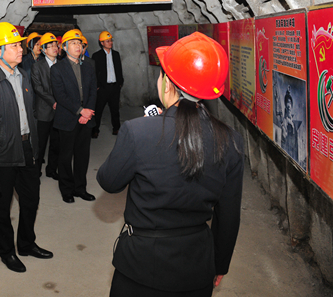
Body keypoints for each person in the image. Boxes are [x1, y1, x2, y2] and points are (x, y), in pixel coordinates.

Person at [97, 32, 244, 297]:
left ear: (168, 84)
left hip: (140, 265)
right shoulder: (231, 140)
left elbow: (109, 181)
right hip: (197, 265)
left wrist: (137, 137)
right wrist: (220, 264)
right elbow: (229, 214)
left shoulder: (138, 131)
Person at [0, 22, 53, 273]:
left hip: (27, 147)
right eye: (13, 46)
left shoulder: (23, 74)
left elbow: (29, 112)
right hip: (3, 152)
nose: (20, 49)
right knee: (2, 207)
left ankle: (26, 243)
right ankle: (7, 252)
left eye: (19, 45)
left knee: (31, 199)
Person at [50, 29, 97, 203]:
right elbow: (60, 96)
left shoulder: (88, 67)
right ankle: (67, 190)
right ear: (64, 47)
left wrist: (88, 111)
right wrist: (80, 111)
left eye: (80, 43)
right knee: (65, 156)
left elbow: (93, 91)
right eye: (73, 43)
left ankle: (80, 188)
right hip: (68, 117)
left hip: (86, 118)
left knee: (82, 156)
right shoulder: (57, 69)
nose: (78, 46)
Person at [30, 32, 61, 180]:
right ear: (43, 49)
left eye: (56, 45)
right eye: (51, 45)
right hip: (44, 110)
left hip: (60, 110)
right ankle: (36, 172)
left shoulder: (62, 65)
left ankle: (52, 169)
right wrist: (53, 102)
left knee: (56, 143)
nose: (55, 48)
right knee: (40, 144)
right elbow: (38, 88)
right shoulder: (37, 66)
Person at [92, 30, 124, 138]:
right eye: (107, 41)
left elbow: (119, 70)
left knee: (115, 109)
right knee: (98, 110)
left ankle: (116, 128)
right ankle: (95, 130)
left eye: (111, 41)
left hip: (114, 87)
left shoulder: (116, 54)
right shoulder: (96, 56)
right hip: (102, 88)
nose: (110, 43)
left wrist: (120, 83)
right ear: (102, 43)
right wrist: (97, 86)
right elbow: (94, 72)